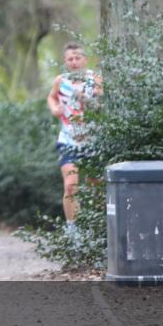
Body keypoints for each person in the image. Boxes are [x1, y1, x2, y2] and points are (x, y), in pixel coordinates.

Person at [46, 42, 101, 239]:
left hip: (93, 141)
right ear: (65, 62)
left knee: (96, 186)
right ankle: (73, 232)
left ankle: (97, 229)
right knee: (70, 185)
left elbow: (102, 106)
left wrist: (86, 100)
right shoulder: (61, 81)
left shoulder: (94, 79)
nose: (74, 62)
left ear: (85, 60)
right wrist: (54, 109)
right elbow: (51, 97)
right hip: (68, 140)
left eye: (78, 58)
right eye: (70, 59)